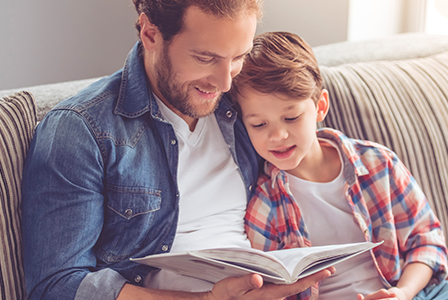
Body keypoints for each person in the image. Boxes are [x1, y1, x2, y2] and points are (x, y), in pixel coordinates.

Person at [230, 31, 448, 300]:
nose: (277, 136)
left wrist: (404, 292)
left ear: (320, 106)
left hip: (413, 294)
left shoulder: (377, 164)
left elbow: (427, 243)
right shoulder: (264, 205)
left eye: (291, 117)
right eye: (259, 125)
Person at [20, 1, 334, 300]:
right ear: (150, 34)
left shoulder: (244, 108)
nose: (225, 82)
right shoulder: (80, 130)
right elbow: (57, 286)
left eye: (238, 57)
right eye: (206, 58)